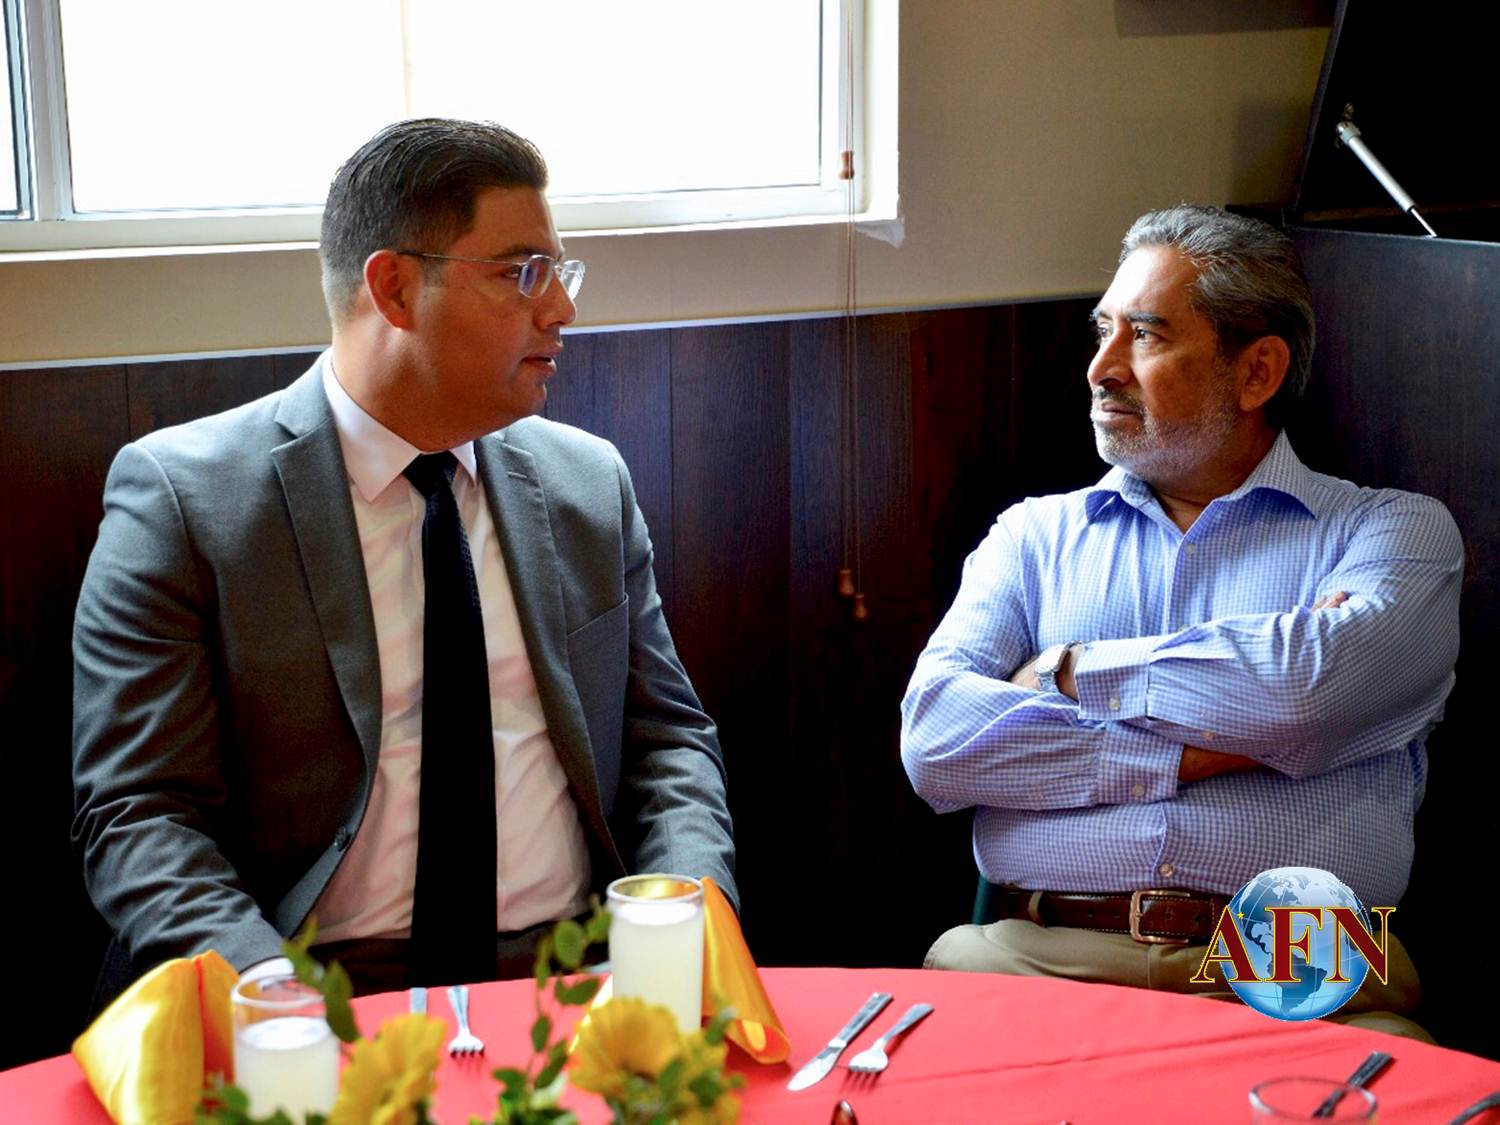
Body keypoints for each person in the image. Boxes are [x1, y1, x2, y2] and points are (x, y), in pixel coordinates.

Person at [72, 118, 736, 998]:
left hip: (580, 978)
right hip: (310, 985)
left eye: (559, 272)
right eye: (522, 272)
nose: (561, 309)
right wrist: (270, 995)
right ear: (392, 288)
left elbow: (668, 744)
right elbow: (140, 812)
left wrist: (682, 922)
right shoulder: (186, 501)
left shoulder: (586, 484)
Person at [899, 205, 1461, 1038]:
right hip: (1041, 951)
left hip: (1297, 957)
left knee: (1414, 1085)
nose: (1101, 368)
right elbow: (936, 741)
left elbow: (1304, 694)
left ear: (1257, 372)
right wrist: (1220, 741)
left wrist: (1066, 671)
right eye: (1104, 331)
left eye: (1146, 336)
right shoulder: (1032, 538)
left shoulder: (1392, 533)